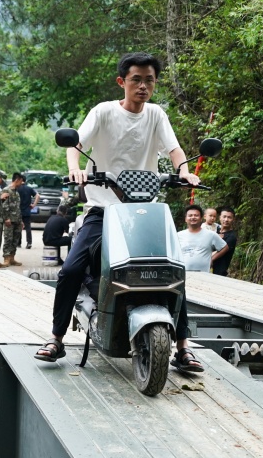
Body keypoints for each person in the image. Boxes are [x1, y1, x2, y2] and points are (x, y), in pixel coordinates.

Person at [35, 51, 204, 373]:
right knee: (70, 270)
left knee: (174, 270)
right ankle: (55, 338)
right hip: (103, 209)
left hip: (144, 211)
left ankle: (183, 347)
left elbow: (174, 148)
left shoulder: (155, 114)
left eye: (149, 81)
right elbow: (75, 144)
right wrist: (75, 170)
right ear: (121, 82)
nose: (143, 86)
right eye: (136, 80)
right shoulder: (103, 112)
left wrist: (184, 170)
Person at [178, 204, 229, 272]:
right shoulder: (178, 235)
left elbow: (225, 247)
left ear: (201, 218)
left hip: (204, 276)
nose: (193, 217)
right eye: (190, 215)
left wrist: (212, 258)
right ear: (185, 219)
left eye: (196, 215)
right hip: (183, 274)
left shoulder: (211, 234)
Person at [13, 172, 39, 249]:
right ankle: (29, 243)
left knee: (19, 227)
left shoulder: (17, 188)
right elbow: (38, 195)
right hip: (27, 210)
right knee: (28, 227)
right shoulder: (29, 189)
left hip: (18, 211)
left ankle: (18, 243)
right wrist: (34, 205)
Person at [212, 207, 237, 276]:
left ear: (233, 219)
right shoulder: (214, 230)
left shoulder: (231, 237)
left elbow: (220, 251)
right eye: (224, 217)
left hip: (218, 273)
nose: (226, 220)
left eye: (229, 217)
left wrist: (208, 260)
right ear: (220, 217)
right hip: (205, 269)